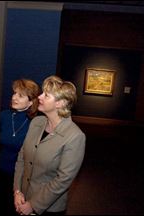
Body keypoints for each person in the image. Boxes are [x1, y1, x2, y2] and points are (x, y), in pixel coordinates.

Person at [13, 75, 86, 215]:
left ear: (60, 103)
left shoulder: (75, 136)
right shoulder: (36, 122)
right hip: (22, 199)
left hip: (49, 208)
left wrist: (33, 205)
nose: (39, 96)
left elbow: (63, 180)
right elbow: (22, 158)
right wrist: (17, 191)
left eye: (46, 95)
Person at [0, 79, 41, 216]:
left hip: (21, 177)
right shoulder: (4, 116)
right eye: (14, 93)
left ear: (31, 102)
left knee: (16, 210)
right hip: (1, 172)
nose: (14, 97)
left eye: (20, 95)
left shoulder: (36, 123)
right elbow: (1, 145)